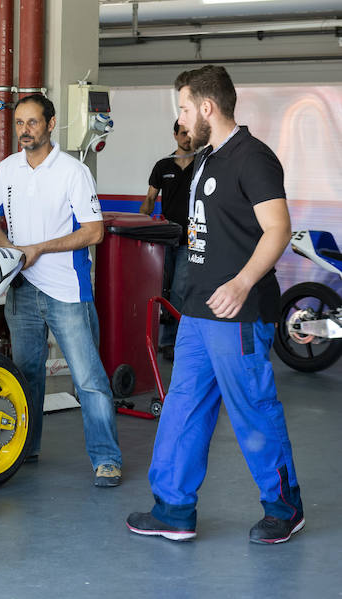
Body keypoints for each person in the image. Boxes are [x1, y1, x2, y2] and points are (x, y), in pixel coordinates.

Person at [126, 65, 304, 544]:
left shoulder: (253, 158)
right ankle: (174, 509)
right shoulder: (206, 158)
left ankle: (284, 508)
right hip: (199, 312)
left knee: (252, 410)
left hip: (238, 314)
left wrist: (243, 283)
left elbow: (278, 230)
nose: (181, 118)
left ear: (207, 107)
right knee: (183, 407)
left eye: (184, 108)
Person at [0, 93, 123, 488]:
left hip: (66, 291)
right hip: (22, 288)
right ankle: (27, 447)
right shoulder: (7, 169)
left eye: (32, 123)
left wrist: (39, 248)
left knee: (88, 379)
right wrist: (8, 248)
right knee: (26, 378)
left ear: (50, 123)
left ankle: (106, 458)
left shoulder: (73, 172)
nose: (24, 131)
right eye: (20, 123)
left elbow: (94, 231)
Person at [139, 121, 194, 360]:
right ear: (175, 135)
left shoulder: (203, 165)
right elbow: (150, 199)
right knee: (161, 289)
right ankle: (157, 339)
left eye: (191, 135)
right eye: (183, 134)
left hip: (190, 240)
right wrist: (140, 225)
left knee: (180, 290)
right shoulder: (162, 166)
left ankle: (172, 342)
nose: (187, 139)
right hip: (165, 238)